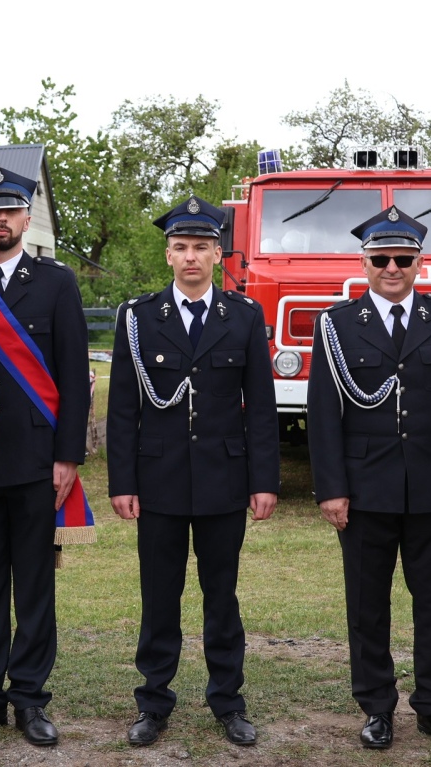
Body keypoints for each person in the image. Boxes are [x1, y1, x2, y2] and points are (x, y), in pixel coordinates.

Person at [307, 205, 431, 751]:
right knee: (367, 604)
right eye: (381, 258)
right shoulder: (337, 325)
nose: (392, 268)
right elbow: (323, 415)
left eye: (403, 259)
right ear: (365, 262)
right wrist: (331, 488)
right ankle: (377, 706)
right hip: (365, 490)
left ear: (418, 262)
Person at [107, 196, 280, 748]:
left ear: (217, 255)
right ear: (167, 255)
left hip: (223, 480)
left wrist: (264, 481)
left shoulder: (245, 317)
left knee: (221, 597)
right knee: (159, 598)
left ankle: (228, 702)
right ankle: (153, 703)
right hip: (157, 482)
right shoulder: (138, 319)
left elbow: (262, 405)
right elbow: (122, 410)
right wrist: (123, 482)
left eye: (201, 248)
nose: (190, 258)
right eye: (181, 247)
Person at [0, 167, 90, 747]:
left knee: (35, 583)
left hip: (38, 459)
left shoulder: (56, 283)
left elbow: (73, 377)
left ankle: (30, 699)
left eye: (12, 211)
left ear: (25, 218)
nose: (2, 221)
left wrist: (68, 456)